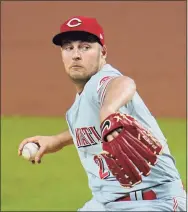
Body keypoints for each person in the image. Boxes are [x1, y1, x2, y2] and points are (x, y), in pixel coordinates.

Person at [18, 16, 186, 211]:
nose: (76, 55)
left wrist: (108, 111)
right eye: (68, 48)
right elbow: (90, 128)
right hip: (103, 205)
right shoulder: (77, 107)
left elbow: (123, 83)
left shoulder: (103, 80)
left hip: (153, 202)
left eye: (85, 47)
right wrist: (56, 140)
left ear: (103, 52)